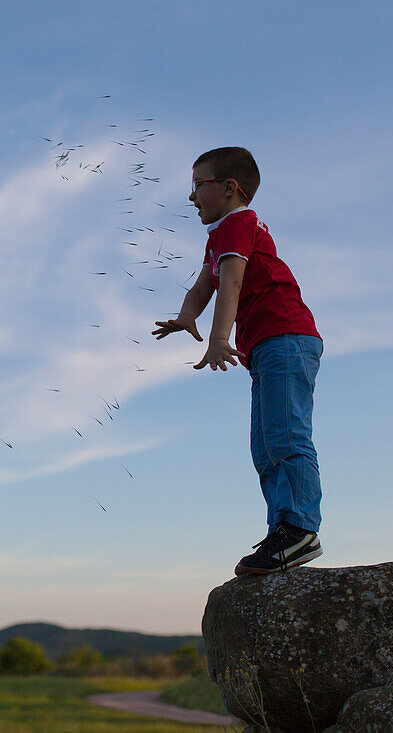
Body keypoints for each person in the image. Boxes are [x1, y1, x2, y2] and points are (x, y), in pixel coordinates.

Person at [152, 147, 324, 576]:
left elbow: (231, 280)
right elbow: (203, 286)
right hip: (268, 346)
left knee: (286, 436)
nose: (191, 197)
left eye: (198, 186)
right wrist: (184, 318)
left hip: (286, 335)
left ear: (230, 188)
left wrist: (217, 337)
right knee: (264, 447)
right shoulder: (221, 235)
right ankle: (282, 534)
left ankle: (301, 528)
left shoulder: (237, 223)